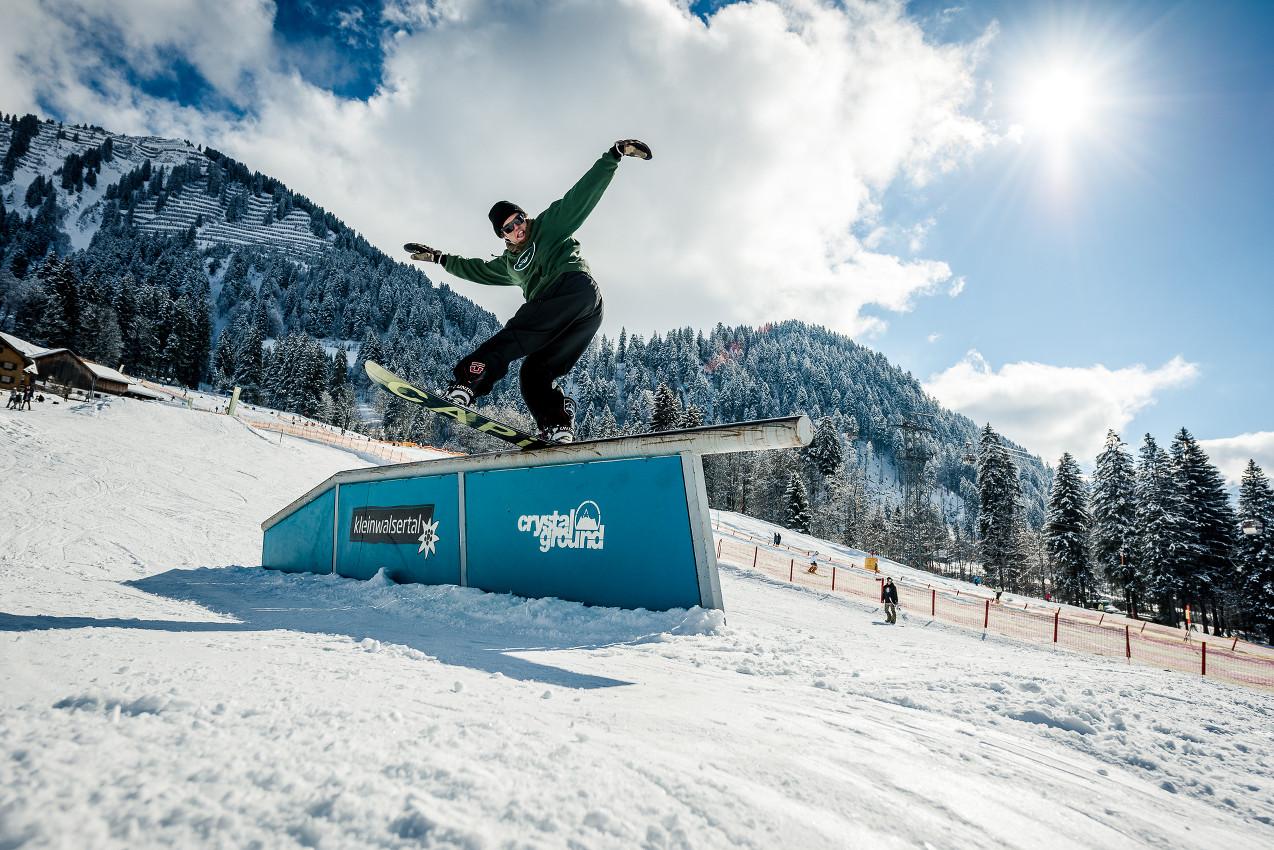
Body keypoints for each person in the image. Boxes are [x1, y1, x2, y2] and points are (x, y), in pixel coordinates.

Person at [405, 139, 653, 443]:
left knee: (514, 336)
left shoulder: (549, 226)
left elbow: (580, 196)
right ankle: (557, 423)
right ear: (503, 236)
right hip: (581, 315)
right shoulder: (508, 265)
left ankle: (468, 381)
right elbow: (475, 269)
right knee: (535, 371)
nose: (518, 229)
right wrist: (440, 258)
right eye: (509, 228)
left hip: (572, 288)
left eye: (519, 220)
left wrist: (613, 156)